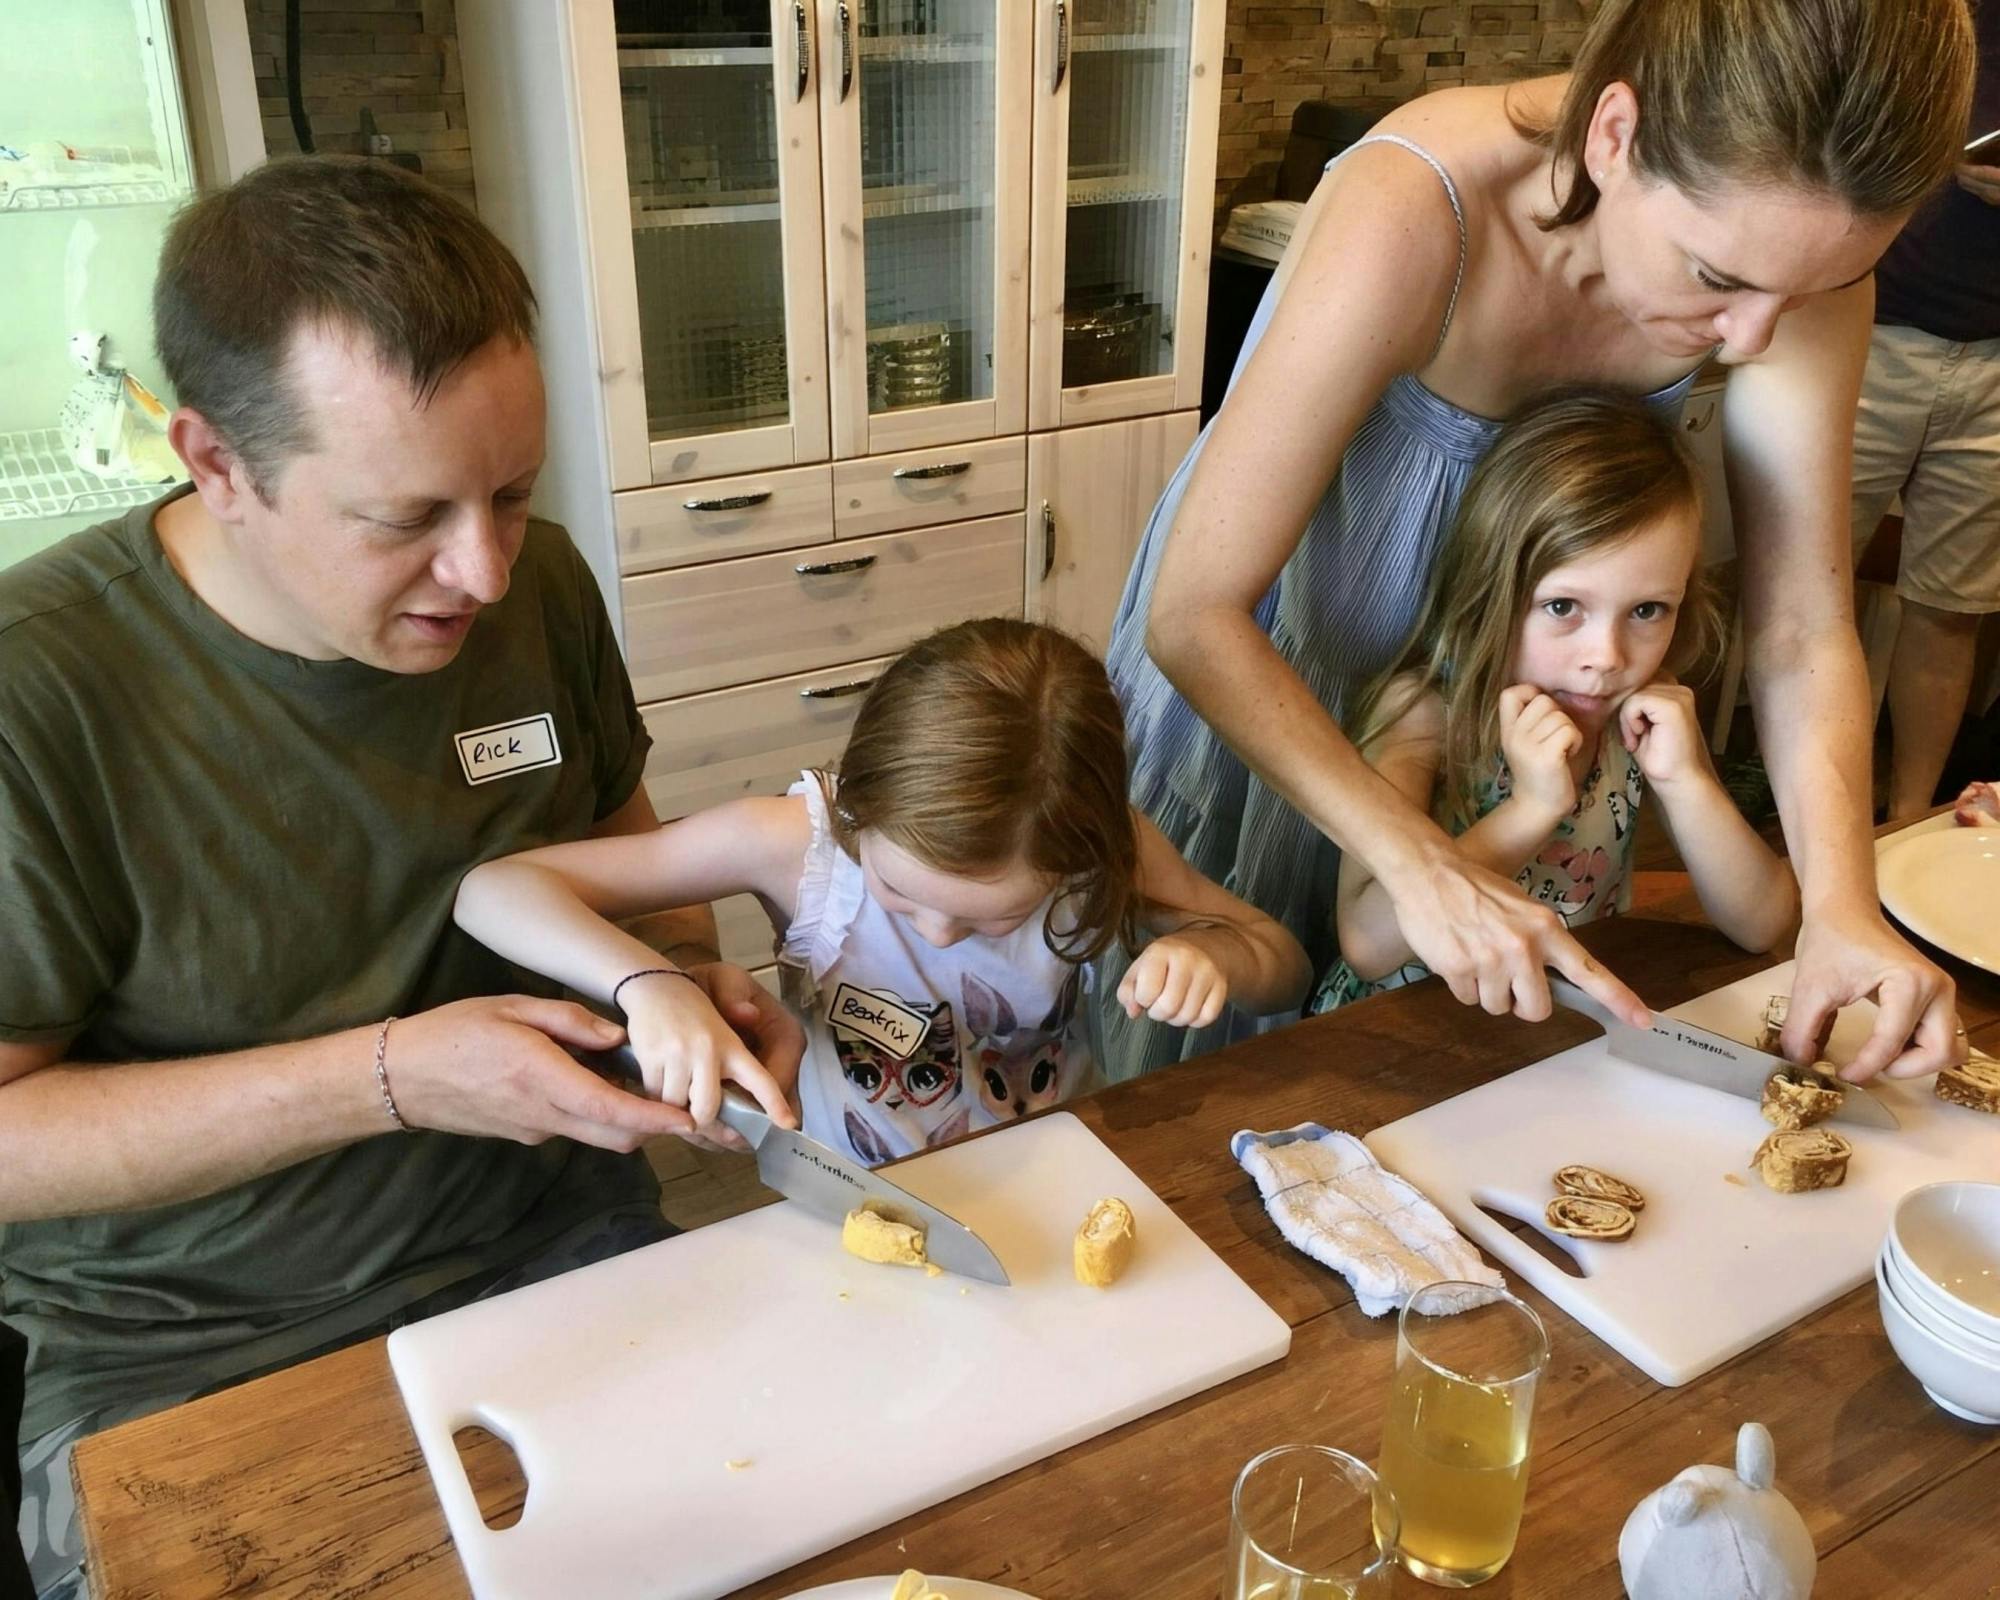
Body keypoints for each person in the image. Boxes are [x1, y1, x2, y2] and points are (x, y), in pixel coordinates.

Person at [0, 157, 800, 1600]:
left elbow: (639, 879)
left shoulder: (542, 587)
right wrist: (388, 1075)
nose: (485, 571)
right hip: (195, 1352)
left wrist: (687, 989)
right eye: (405, 519)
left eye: (511, 491)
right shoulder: (37, 698)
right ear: (214, 462)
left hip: (563, 1245)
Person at [1099, 0, 1975, 1084]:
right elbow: (1195, 611)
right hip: (1277, 695)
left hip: (1486, 720)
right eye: (1715, 278)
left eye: (1818, 286)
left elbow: (1798, 630)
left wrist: (1841, 909)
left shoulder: (1790, 259)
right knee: (1214, 1062)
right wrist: (1417, 863)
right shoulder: (1417, 207)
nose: (1755, 337)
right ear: (1611, 137)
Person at [455, 619, 1312, 1166]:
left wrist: (1214, 952)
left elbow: (1287, 964)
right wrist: (653, 983)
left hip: (1058, 1175)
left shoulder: (1103, 847)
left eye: (999, 916)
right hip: (855, 1202)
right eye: (902, 893)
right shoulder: (797, 845)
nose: (939, 934)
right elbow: (495, 890)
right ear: (859, 806)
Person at [1315, 391, 1795, 1013]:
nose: (1607, 656)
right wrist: (1531, 807)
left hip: (1554, 1029)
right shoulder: (1425, 713)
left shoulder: (1645, 715)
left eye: (1648, 610)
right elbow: (1367, 942)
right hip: (1397, 1035)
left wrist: (1687, 781)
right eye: (1563, 607)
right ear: (1491, 589)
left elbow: (1763, 923)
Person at [1848, 0, 2000, 821]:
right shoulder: (1924, 18)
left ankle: (1906, 828)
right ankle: (1798, 821)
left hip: (1998, 362)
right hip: (1867, 332)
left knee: (1952, 612)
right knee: (1806, 589)